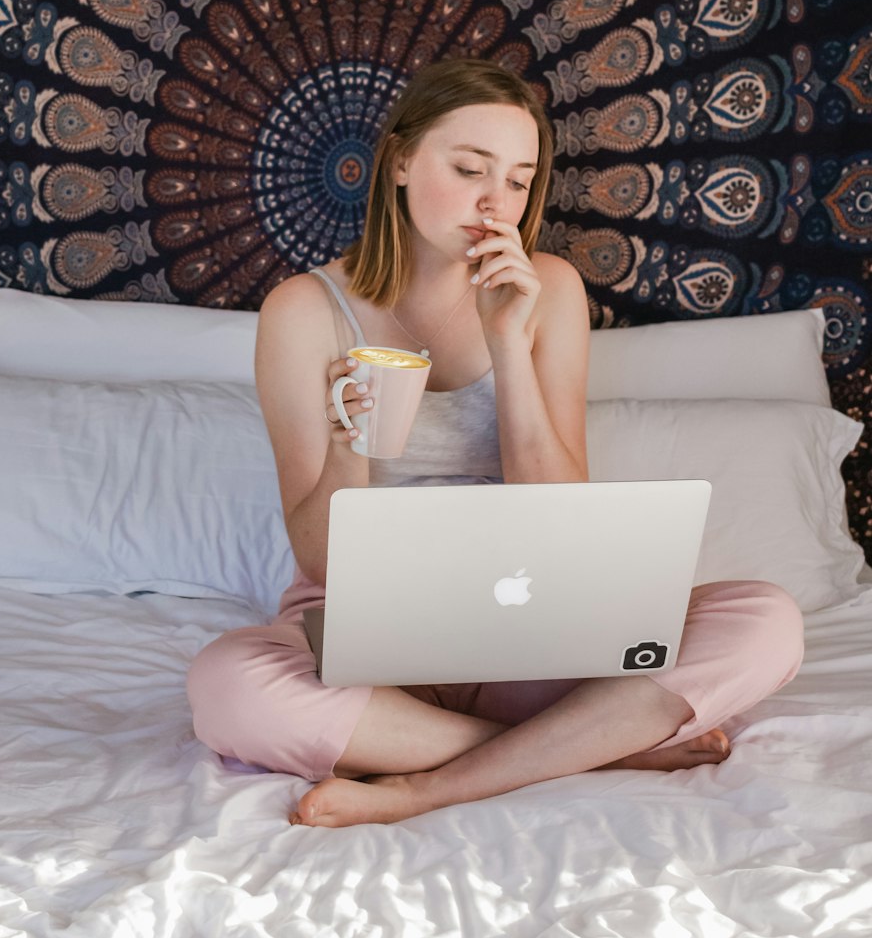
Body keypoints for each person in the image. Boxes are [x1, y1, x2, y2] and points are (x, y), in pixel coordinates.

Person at [187, 58, 804, 828]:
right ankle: (588, 745)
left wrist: (508, 343)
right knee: (226, 684)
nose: (495, 201)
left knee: (766, 618)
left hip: (531, 618)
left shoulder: (549, 290)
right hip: (367, 629)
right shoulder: (304, 310)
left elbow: (562, 517)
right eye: (470, 167)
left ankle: (425, 783)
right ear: (402, 161)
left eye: (517, 180)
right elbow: (318, 558)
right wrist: (350, 442)